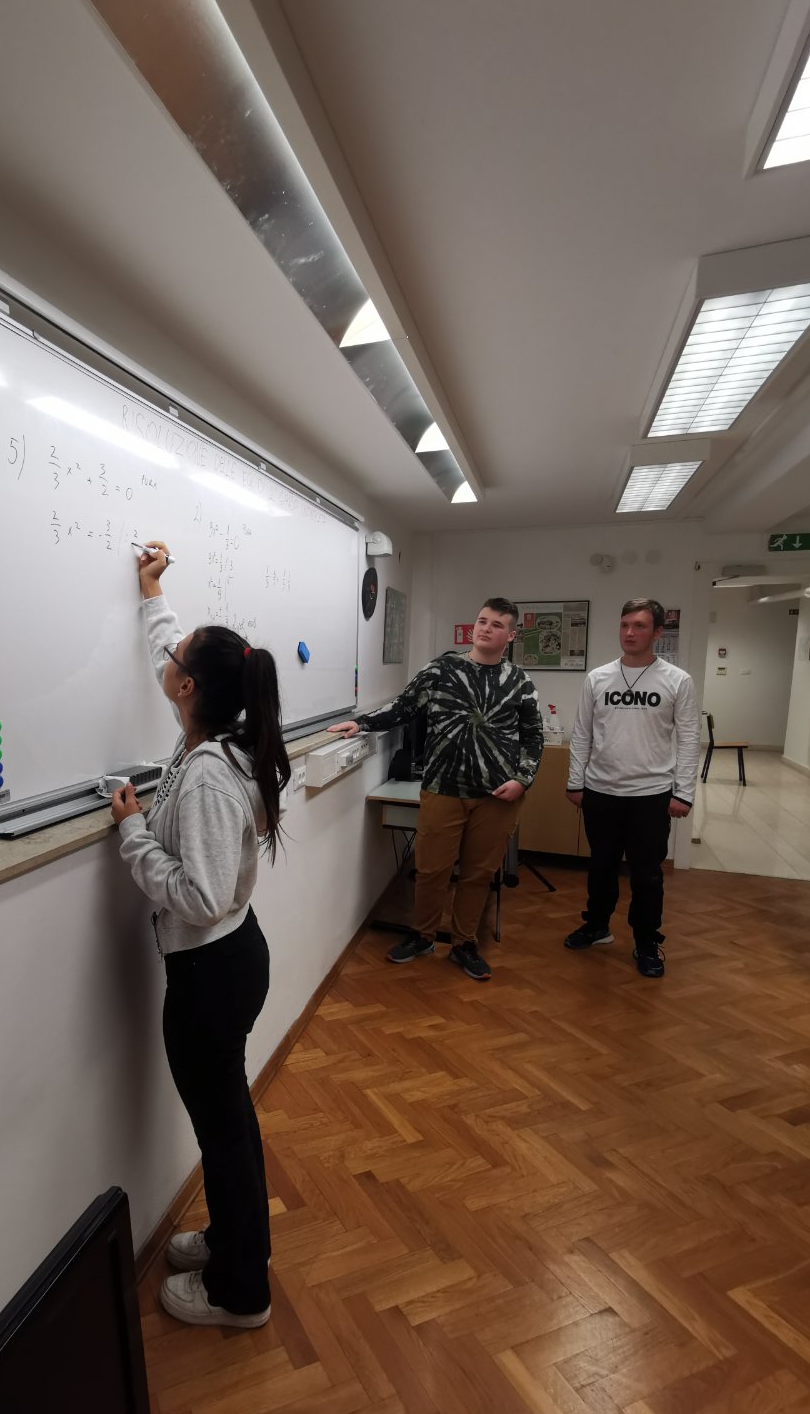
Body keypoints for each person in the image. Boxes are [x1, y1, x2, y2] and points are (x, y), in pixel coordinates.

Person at [110, 539, 289, 1330]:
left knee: (222, 1131)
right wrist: (153, 596)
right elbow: (169, 658)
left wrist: (133, 834)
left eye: (178, 656)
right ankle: (231, 1243)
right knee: (228, 1123)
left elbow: (203, 897)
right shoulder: (212, 731)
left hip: (212, 974)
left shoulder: (213, 771)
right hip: (224, 966)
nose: (168, 660)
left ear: (189, 688)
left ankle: (239, 1292)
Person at [329, 598, 543, 980]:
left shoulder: (520, 682)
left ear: (511, 636)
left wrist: (522, 779)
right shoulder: (442, 669)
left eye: (496, 625)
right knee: (430, 870)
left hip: (496, 795)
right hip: (443, 788)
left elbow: (533, 737)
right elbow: (404, 707)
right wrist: (361, 724)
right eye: (482, 621)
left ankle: (463, 944)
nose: (485, 628)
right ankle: (422, 935)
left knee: (477, 874)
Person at [564, 597, 700, 978]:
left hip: (651, 795)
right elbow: (582, 733)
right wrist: (575, 781)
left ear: (657, 632)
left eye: (639, 626)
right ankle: (597, 925)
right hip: (600, 791)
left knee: (647, 875)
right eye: (625, 624)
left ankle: (646, 941)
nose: (629, 632)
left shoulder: (677, 680)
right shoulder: (598, 678)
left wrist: (683, 792)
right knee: (601, 867)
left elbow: (690, 739)